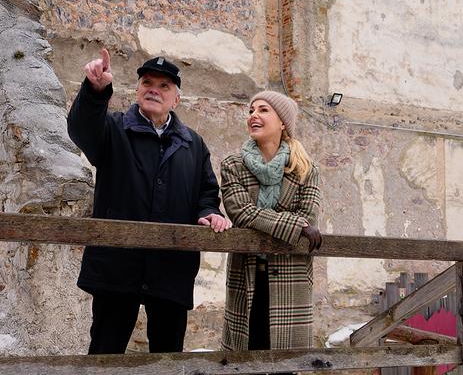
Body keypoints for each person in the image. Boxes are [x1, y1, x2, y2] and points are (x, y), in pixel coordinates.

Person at [67, 48, 232, 354]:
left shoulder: (193, 144)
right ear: (138, 89)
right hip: (116, 266)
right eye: (147, 83)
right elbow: (81, 131)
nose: (154, 89)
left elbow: (206, 193)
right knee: (105, 353)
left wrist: (209, 213)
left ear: (176, 99)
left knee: (168, 358)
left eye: (164, 86)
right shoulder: (113, 128)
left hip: (171, 268)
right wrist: (95, 91)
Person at [219, 90, 323, 352]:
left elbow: (308, 216)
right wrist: (295, 225)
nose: (254, 115)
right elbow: (241, 213)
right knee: (245, 360)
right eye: (251, 110)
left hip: (292, 276)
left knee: (287, 361)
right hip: (247, 273)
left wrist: (298, 225)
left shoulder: (306, 169)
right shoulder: (233, 164)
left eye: (263, 110)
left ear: (283, 122)